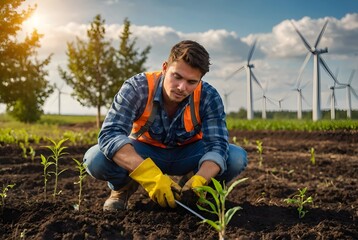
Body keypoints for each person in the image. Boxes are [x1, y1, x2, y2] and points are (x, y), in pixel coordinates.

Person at [83, 40, 248, 211]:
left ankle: (195, 190)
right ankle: (122, 188)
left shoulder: (209, 96)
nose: (181, 87)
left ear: (200, 80)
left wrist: (201, 179)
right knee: (96, 159)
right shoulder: (137, 88)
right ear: (164, 68)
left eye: (191, 82)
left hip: (189, 154)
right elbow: (110, 134)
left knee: (235, 157)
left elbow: (217, 145)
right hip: (145, 152)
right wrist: (149, 176)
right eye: (177, 76)